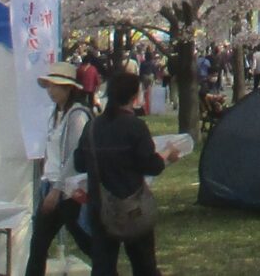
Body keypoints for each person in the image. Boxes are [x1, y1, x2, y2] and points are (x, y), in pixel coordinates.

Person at [77, 68, 182, 276]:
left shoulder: (92, 127)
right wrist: (167, 153)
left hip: (100, 205)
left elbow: (79, 163)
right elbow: (151, 165)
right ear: (134, 96)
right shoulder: (135, 127)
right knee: (144, 265)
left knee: (103, 267)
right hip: (133, 205)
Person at [25, 62, 97, 276]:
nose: (50, 91)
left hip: (69, 190)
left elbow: (75, 156)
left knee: (85, 240)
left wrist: (57, 189)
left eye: (54, 86)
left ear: (68, 88)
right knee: (38, 244)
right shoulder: (55, 114)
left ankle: (107, 269)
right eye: (49, 86)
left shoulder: (77, 116)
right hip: (51, 184)